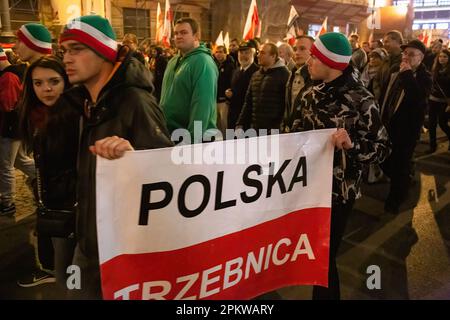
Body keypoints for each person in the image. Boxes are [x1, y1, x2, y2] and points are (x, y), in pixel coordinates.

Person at [59, 14, 173, 298]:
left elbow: (166, 173)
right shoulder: (85, 101)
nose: (67, 59)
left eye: (77, 49)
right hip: (88, 241)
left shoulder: (135, 101)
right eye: (64, 51)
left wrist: (133, 156)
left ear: (103, 52)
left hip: (122, 248)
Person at [291, 32, 390, 299]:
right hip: (306, 187)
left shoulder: (362, 100)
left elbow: (381, 149)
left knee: (323, 257)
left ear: (331, 63)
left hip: (338, 192)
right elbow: (297, 129)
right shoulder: (310, 94)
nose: (308, 62)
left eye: (314, 57)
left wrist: (352, 146)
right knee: (314, 255)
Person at [17, 56, 77, 289]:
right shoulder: (36, 115)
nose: (46, 89)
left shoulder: (76, 115)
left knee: (71, 273)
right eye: (38, 83)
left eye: (54, 81)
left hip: (72, 208)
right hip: (53, 204)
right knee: (63, 271)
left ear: (66, 81)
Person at [0, 23, 51, 216]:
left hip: (17, 132)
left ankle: (9, 202)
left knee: (8, 164)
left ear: (34, 44)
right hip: (34, 140)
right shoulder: (31, 72)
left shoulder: (46, 70)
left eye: (20, 41)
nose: (15, 46)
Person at [380, 39, 432, 214]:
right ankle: (406, 175)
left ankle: (395, 200)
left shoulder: (425, 77)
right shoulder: (395, 70)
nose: (406, 57)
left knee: (399, 166)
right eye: (405, 53)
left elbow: (417, 100)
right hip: (388, 124)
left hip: (407, 131)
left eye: (411, 54)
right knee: (385, 162)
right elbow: (386, 95)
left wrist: (408, 74)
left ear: (421, 58)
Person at [159, 18, 218, 143]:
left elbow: (202, 105)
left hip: (191, 139)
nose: (178, 36)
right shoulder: (173, 61)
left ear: (196, 36)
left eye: (184, 32)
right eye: (176, 33)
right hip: (170, 135)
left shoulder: (203, 62)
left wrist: (191, 141)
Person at [236, 43, 290, 132]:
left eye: (262, 53)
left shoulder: (284, 75)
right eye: (258, 53)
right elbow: (248, 101)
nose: (258, 55)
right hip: (255, 128)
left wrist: (278, 126)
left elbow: (286, 105)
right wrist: (240, 123)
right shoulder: (256, 75)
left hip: (273, 130)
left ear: (273, 56)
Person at [283, 35, 315, 133]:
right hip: (290, 131)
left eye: (302, 49)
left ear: (313, 51)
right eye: (295, 49)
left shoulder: (315, 75)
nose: (297, 53)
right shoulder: (292, 72)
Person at [226, 41, 259, 130]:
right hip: (233, 117)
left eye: (246, 53)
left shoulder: (257, 72)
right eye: (241, 52)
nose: (243, 56)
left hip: (247, 120)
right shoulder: (235, 71)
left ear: (253, 54)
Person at [428, 49, 450, 153]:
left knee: (443, 123)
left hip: (445, 102)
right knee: (431, 124)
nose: (442, 59)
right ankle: (432, 145)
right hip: (433, 100)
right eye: (440, 56)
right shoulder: (434, 69)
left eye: (445, 57)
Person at [214, 45, 236, 136]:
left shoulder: (230, 66)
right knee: (217, 126)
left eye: (221, 52)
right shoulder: (213, 65)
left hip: (224, 101)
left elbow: (232, 83)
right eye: (217, 52)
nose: (218, 54)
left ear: (225, 53)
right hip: (215, 100)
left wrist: (229, 98)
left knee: (225, 125)